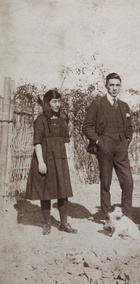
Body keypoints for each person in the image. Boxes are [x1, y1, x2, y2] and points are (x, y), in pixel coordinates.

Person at [82, 73, 134, 219]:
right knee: (106, 183)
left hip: (121, 149)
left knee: (128, 182)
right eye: (111, 85)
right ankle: (106, 217)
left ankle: (127, 217)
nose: (114, 88)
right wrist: (98, 141)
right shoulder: (98, 104)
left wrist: (127, 140)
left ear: (120, 86)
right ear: (106, 86)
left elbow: (129, 127)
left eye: (117, 85)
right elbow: (87, 126)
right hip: (104, 148)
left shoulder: (124, 106)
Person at [26, 89, 77, 235]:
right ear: (47, 103)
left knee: (63, 191)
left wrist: (68, 160)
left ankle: (64, 223)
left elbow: (66, 142)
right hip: (46, 160)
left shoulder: (62, 121)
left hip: (60, 160)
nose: (58, 104)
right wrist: (41, 162)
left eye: (59, 101)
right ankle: (47, 223)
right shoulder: (40, 120)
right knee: (46, 192)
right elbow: (37, 143)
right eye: (54, 101)